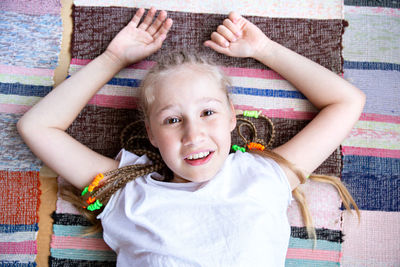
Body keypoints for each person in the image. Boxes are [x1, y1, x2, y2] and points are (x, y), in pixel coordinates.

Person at [17, 7, 365, 266]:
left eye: (208, 112)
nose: (193, 133)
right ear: (151, 133)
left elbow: (347, 101)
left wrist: (266, 49)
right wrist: (112, 58)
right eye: (172, 120)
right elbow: (37, 127)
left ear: (232, 115)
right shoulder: (127, 194)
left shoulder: (264, 176)